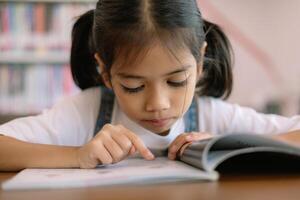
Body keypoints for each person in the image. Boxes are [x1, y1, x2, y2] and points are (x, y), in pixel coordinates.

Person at [0, 0, 299, 171]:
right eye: (133, 86)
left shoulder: (212, 116)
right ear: (105, 72)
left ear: (199, 61)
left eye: (176, 81)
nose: (158, 103)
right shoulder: (86, 112)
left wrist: (228, 144)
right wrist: (77, 154)